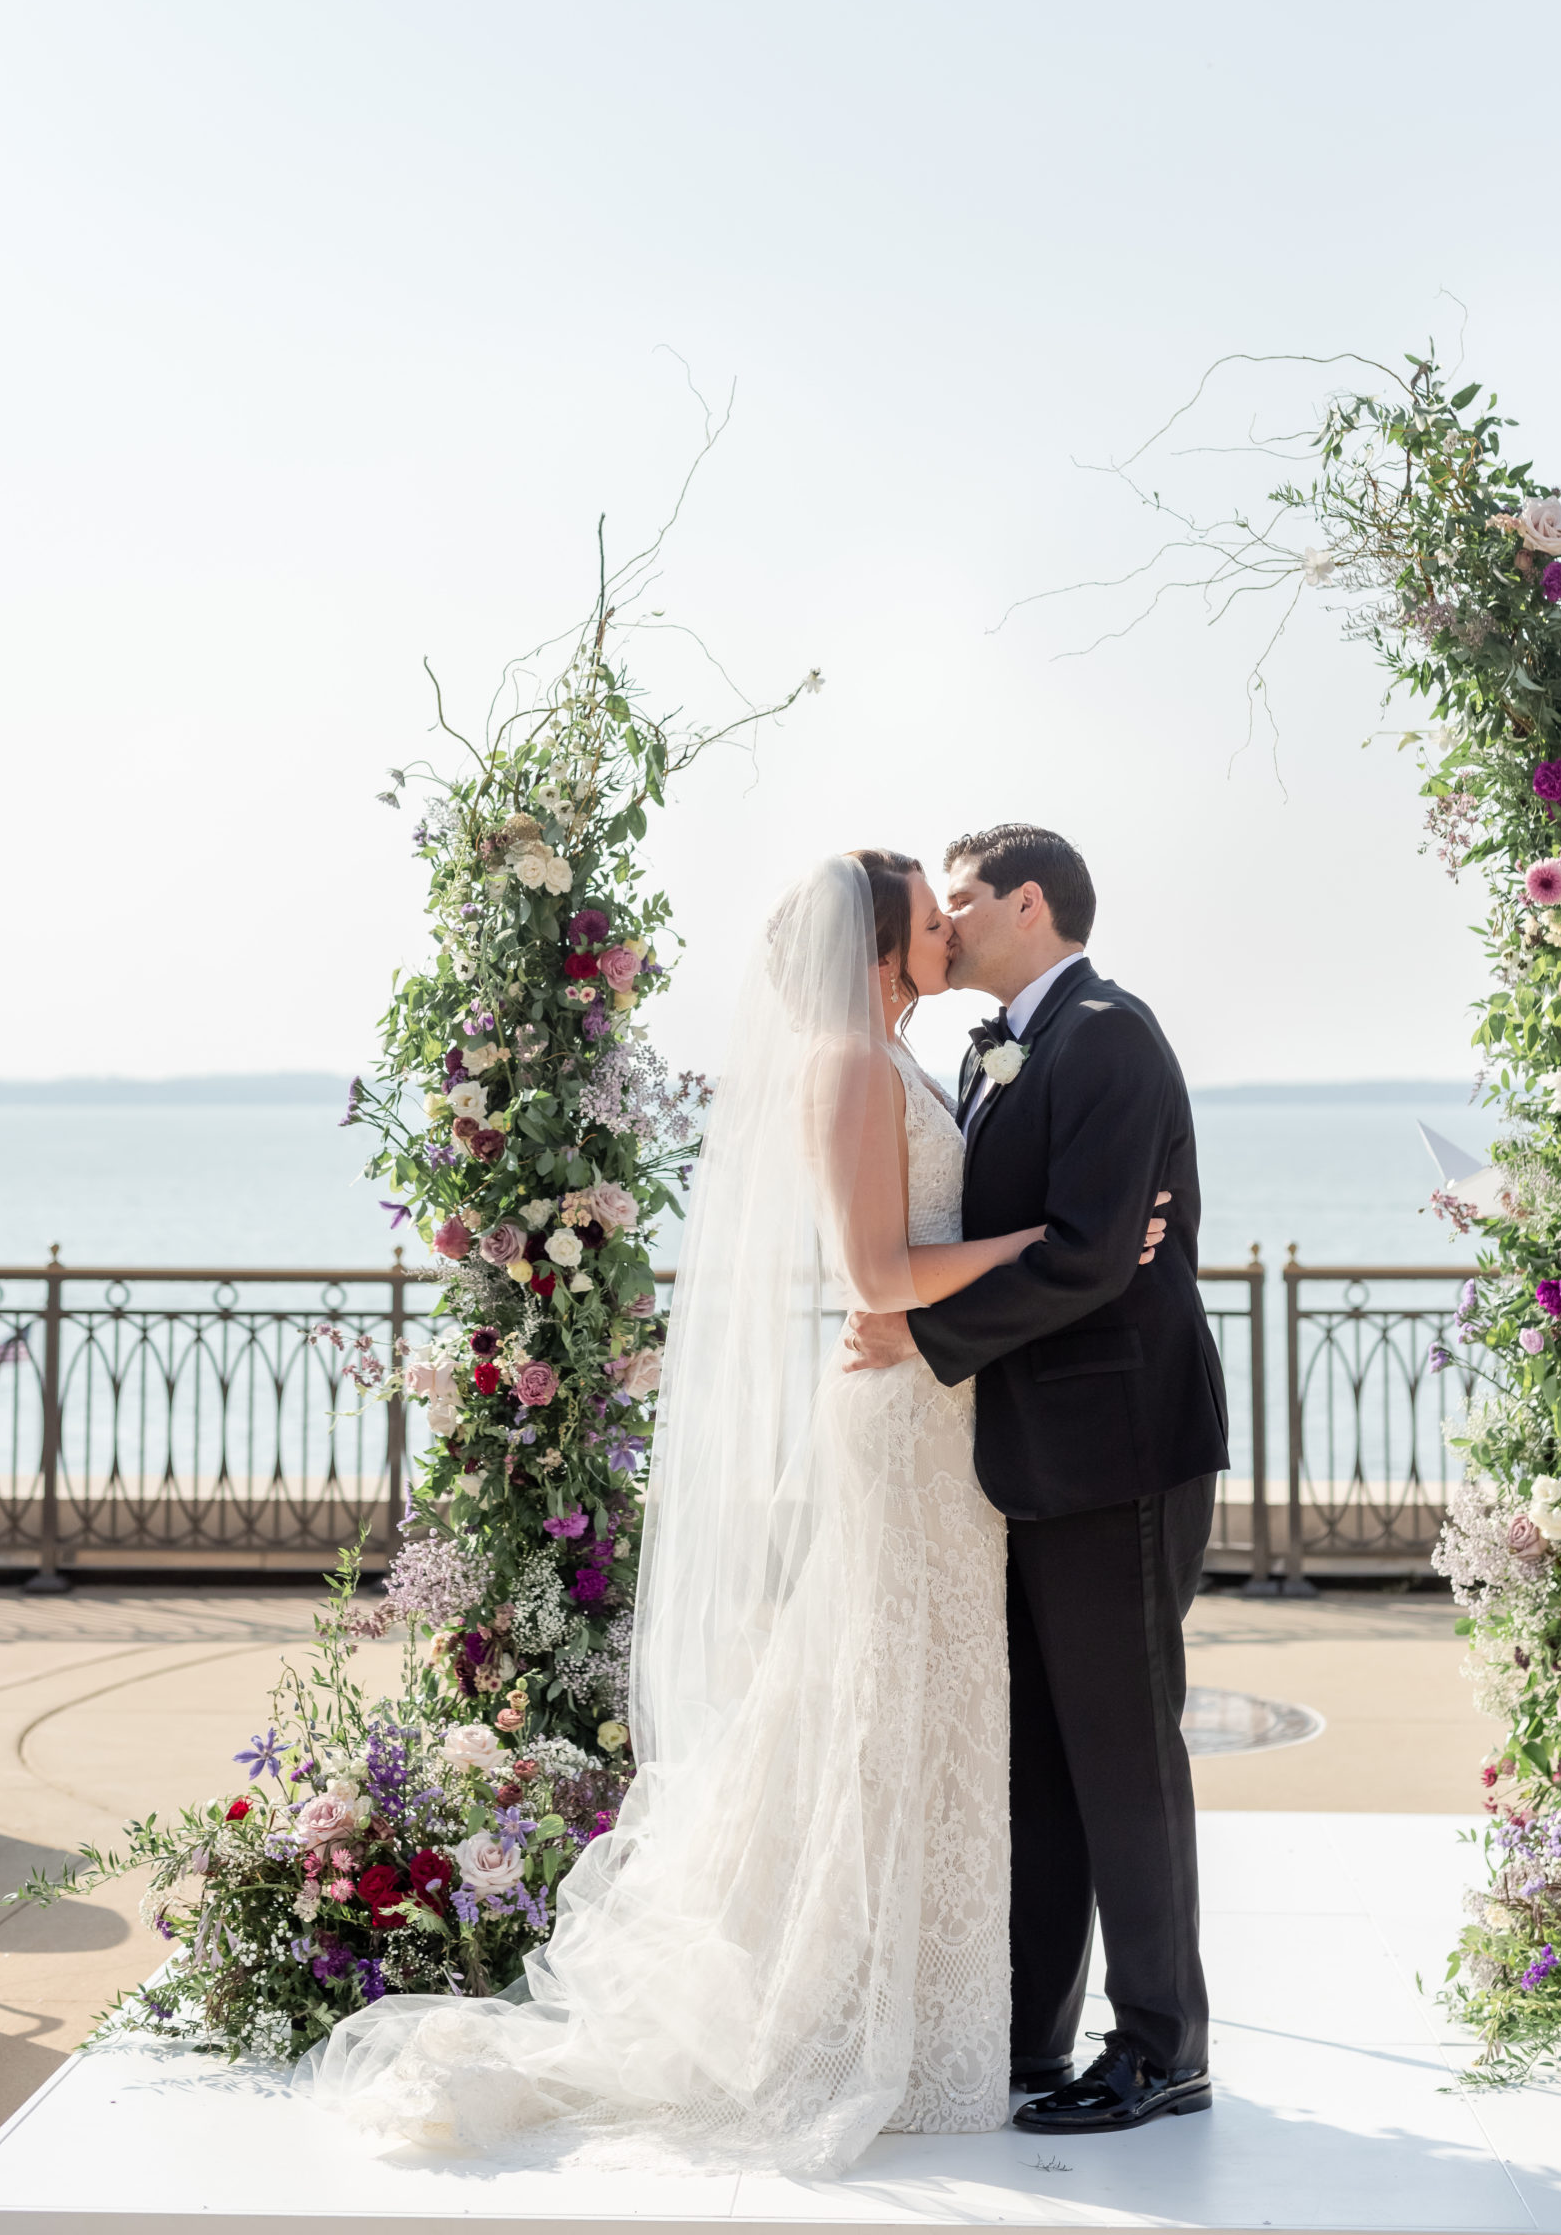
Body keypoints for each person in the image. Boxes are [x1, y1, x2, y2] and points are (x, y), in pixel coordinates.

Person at [298, 849, 1165, 2173]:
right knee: (885, 1703)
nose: (946, 928)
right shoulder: (849, 1064)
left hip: (945, 1415)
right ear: (880, 942)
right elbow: (877, 1273)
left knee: (924, 1710)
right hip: (904, 1420)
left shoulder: (900, 1055)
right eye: (927, 914)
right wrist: (1049, 1246)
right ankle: (857, 2010)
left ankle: (942, 2007)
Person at [843, 823, 1228, 2136]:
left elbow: (1090, 1256)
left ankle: (1165, 2049)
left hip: (1120, 1446)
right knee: (1047, 1758)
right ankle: (1031, 2035)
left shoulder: (1109, 1035)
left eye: (959, 900)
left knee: (1124, 1751)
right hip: (1023, 1454)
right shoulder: (989, 1048)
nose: (943, 923)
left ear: (1027, 903)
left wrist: (920, 1334)